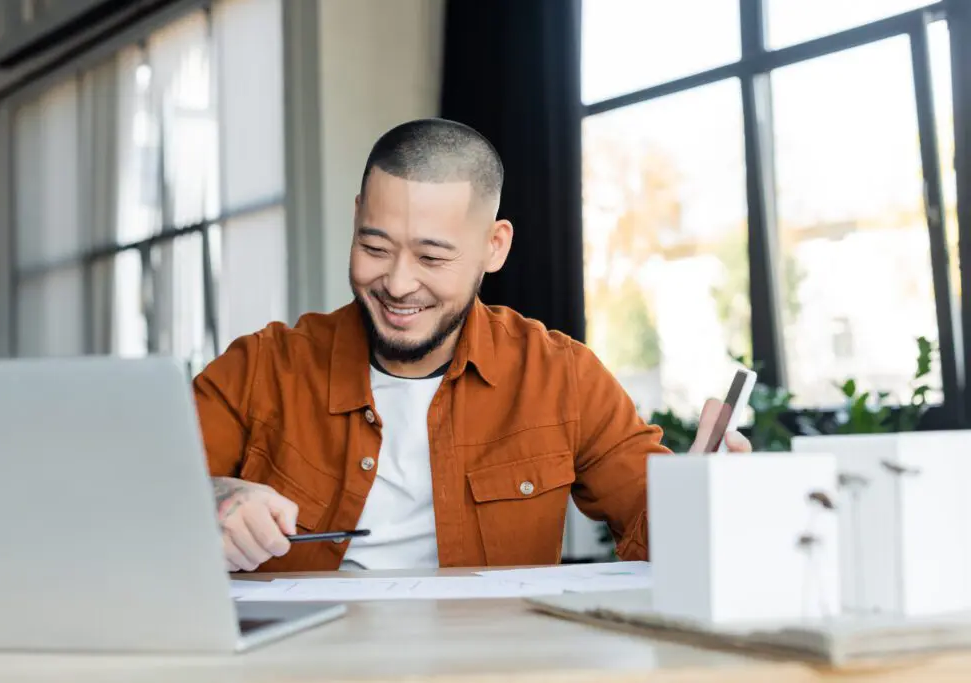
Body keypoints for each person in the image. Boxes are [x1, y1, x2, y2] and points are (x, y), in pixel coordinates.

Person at [193, 117, 752, 573]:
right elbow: (128, 498)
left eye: (432, 257)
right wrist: (210, 499)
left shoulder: (562, 376)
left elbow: (657, 537)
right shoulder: (261, 367)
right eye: (375, 246)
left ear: (494, 246)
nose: (398, 283)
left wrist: (704, 496)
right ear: (357, 217)